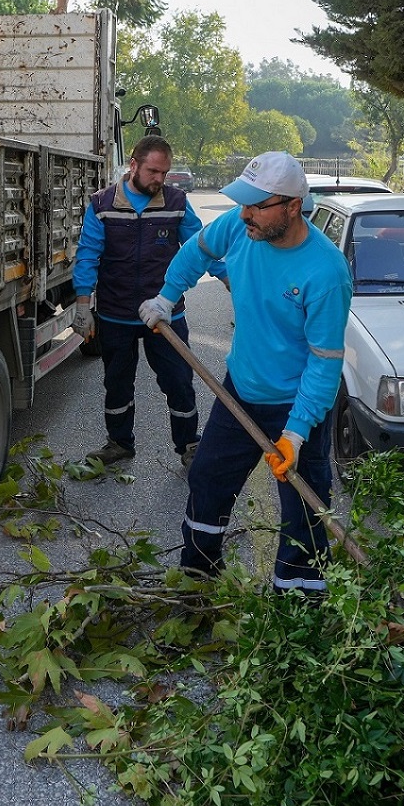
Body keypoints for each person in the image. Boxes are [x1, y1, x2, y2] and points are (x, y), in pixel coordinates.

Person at [139, 151, 352, 593]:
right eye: (243, 203)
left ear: (292, 207)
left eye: (257, 205)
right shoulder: (240, 228)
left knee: (304, 508)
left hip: (296, 405)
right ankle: (198, 577)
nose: (244, 214)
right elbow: (197, 251)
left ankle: (299, 602)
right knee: (208, 478)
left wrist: (296, 434)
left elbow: (324, 362)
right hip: (239, 392)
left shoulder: (326, 271)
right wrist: (166, 297)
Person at [73, 134, 221, 469]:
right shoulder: (102, 204)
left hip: (165, 315)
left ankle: (189, 445)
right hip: (116, 314)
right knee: (117, 383)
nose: (159, 179)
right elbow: (88, 255)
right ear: (133, 165)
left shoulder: (176, 202)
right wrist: (83, 304)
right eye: (153, 171)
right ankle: (119, 443)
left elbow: (201, 247)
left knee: (179, 382)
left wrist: (228, 277)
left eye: (164, 173)